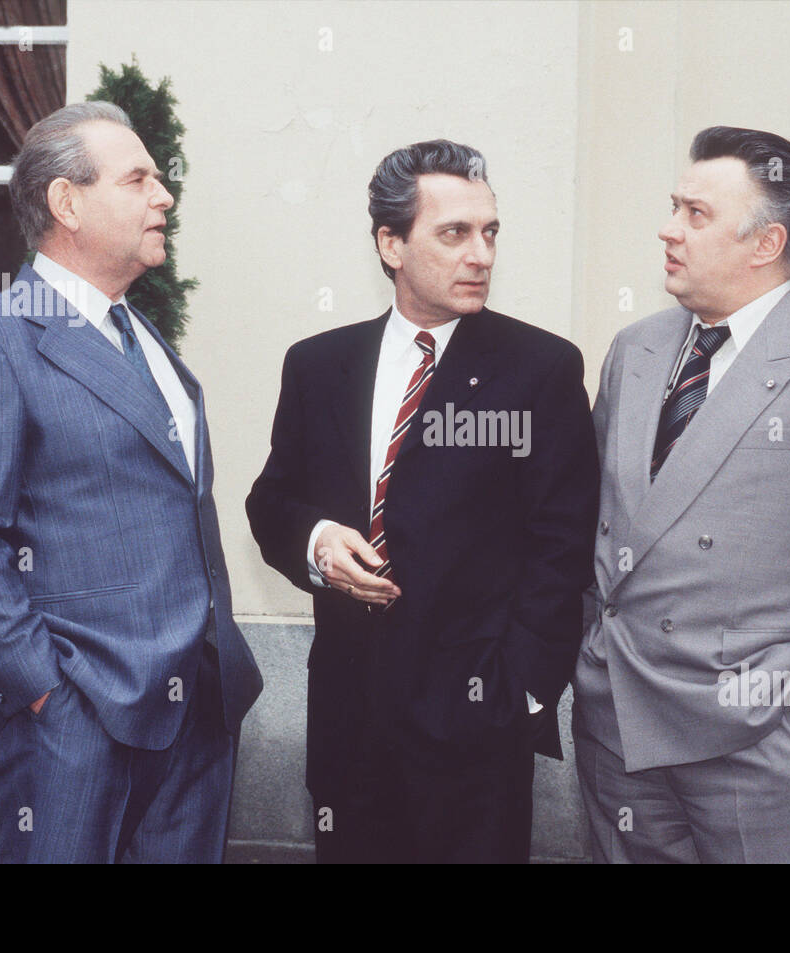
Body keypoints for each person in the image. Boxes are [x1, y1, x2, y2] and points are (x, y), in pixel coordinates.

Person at [573, 126, 790, 863]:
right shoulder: (635, 350)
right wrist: (590, 675)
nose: (668, 229)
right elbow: (599, 529)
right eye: (674, 206)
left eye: (695, 214)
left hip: (765, 749)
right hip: (619, 735)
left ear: (765, 244)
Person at [0, 102, 262, 863]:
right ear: (66, 203)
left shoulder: (147, 339)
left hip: (198, 710)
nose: (163, 195)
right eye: (138, 179)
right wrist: (42, 692)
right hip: (78, 721)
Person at [246, 139, 598, 863]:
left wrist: (523, 696)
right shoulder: (319, 365)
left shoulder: (540, 369)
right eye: (454, 233)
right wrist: (316, 542)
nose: (481, 254)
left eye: (490, 231)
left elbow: (563, 546)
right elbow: (272, 501)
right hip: (349, 723)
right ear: (391, 243)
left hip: (476, 735)